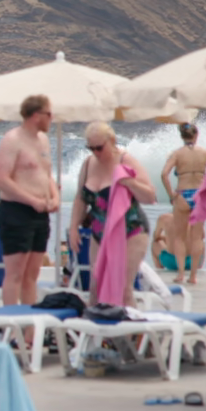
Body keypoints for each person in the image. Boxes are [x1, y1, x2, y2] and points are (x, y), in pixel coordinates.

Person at [70, 122, 156, 306]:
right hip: (99, 232)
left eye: (99, 148)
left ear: (112, 141)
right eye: (91, 148)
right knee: (95, 288)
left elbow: (150, 196)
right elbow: (80, 199)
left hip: (131, 230)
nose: (96, 153)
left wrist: (130, 183)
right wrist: (73, 227)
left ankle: (133, 324)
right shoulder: (88, 164)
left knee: (123, 289)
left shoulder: (126, 160)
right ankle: (96, 324)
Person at [0, 94, 58, 306]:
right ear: (36, 115)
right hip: (17, 211)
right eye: (49, 114)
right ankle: (12, 321)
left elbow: (46, 174)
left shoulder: (43, 141)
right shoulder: (12, 140)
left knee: (32, 276)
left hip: (41, 214)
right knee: (15, 274)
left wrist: (55, 196)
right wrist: (32, 200)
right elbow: (2, 179)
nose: (52, 118)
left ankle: (29, 322)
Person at [159, 123, 206, 284]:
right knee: (197, 238)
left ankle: (181, 274)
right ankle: (193, 276)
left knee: (179, 237)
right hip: (199, 195)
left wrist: (171, 195)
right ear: (196, 135)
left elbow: (164, 174)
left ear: (182, 136)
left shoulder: (177, 154)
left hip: (182, 195)